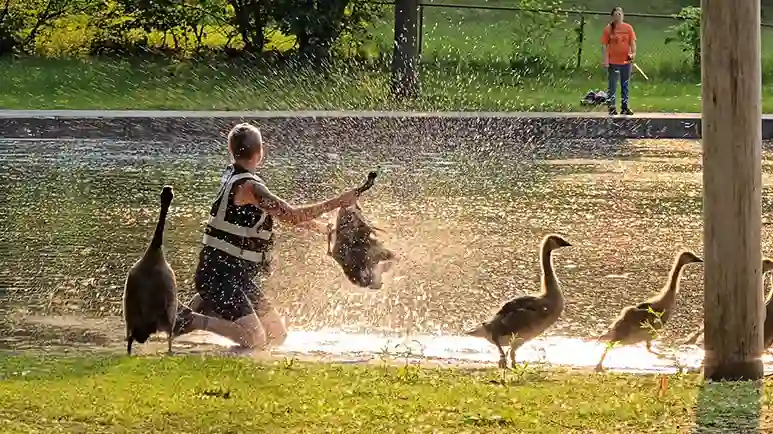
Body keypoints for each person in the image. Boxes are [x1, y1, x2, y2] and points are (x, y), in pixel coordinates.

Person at [172, 122, 359, 349]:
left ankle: (203, 304)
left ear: (231, 151)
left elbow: (284, 215)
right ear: (260, 153)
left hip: (235, 276)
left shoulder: (236, 177)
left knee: (277, 335)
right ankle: (189, 320)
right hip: (219, 276)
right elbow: (292, 215)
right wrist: (339, 201)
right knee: (254, 339)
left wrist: (324, 229)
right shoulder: (249, 187)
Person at [601, 6, 637, 116]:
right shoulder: (608, 29)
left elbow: (632, 43)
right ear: (612, 16)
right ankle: (611, 106)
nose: (618, 16)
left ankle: (625, 107)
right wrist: (605, 60)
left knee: (625, 85)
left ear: (623, 15)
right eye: (616, 15)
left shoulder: (628, 28)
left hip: (625, 62)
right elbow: (604, 45)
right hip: (613, 62)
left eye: (620, 14)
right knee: (612, 85)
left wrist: (633, 54)